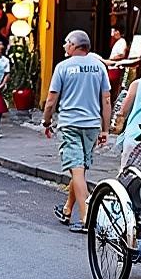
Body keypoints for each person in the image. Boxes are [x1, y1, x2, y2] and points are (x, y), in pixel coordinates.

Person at [41, 30, 110, 234]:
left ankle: (87, 216)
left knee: (77, 170)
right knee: (79, 169)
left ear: (73, 45)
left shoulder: (63, 67)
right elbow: (106, 99)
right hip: (91, 125)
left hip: (70, 124)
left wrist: (46, 121)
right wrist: (105, 129)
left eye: (65, 43)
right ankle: (67, 209)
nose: (64, 46)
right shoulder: (99, 66)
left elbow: (51, 99)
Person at [104, 25, 129, 91]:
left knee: (113, 89)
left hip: (115, 68)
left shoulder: (122, 42)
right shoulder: (117, 42)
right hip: (111, 68)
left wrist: (111, 60)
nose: (114, 33)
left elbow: (122, 55)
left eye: (116, 31)